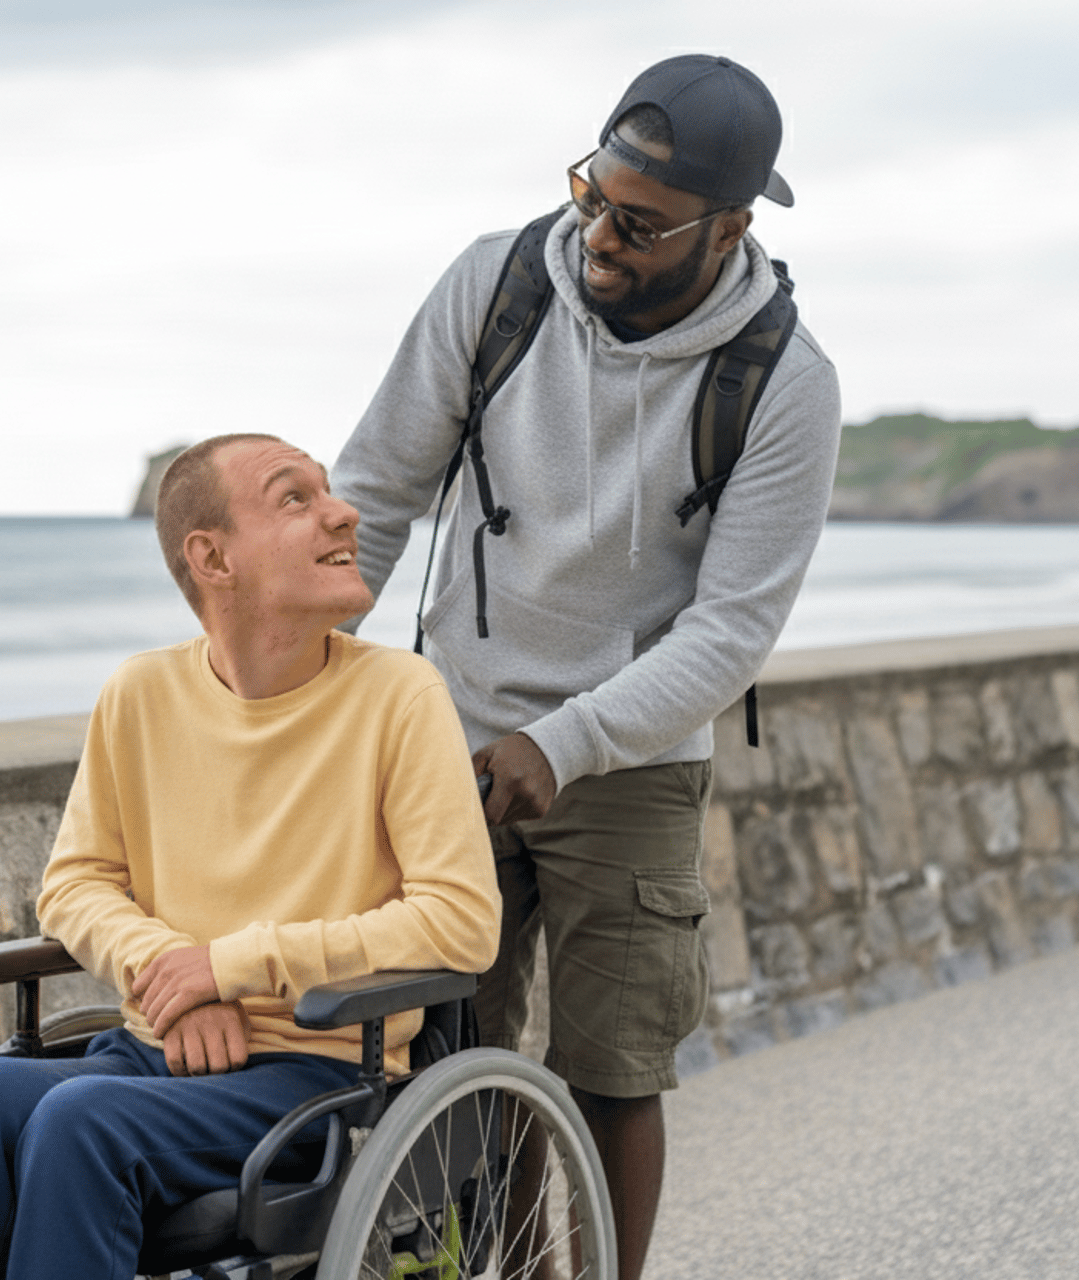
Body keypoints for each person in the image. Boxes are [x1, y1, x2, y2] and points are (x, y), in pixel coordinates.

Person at [331, 54, 843, 1280]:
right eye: (592, 193)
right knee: (455, 1056)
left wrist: (561, 746)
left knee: (614, 1072)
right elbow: (377, 491)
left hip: (636, 759)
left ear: (729, 228)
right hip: (452, 730)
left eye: (640, 223)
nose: (599, 233)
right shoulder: (500, 283)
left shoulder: (784, 382)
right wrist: (299, 672)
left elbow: (729, 633)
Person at [0, 433, 500, 1280]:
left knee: (81, 1123)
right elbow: (76, 885)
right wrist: (172, 979)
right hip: (154, 1051)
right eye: (294, 498)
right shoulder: (141, 694)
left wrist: (232, 968)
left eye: (328, 492)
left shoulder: (400, 697)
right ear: (211, 557)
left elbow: (461, 924)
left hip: (314, 1070)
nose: (345, 513)